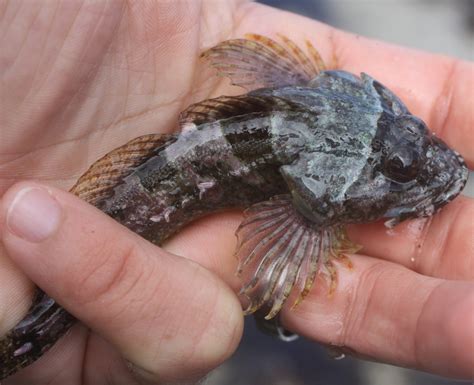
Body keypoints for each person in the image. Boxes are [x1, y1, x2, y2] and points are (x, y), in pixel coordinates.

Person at [0, 1, 472, 384]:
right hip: (122, 199)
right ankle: (32, 337)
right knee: (54, 319)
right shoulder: (307, 208)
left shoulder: (310, 92)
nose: (437, 163)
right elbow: (278, 253)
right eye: (400, 169)